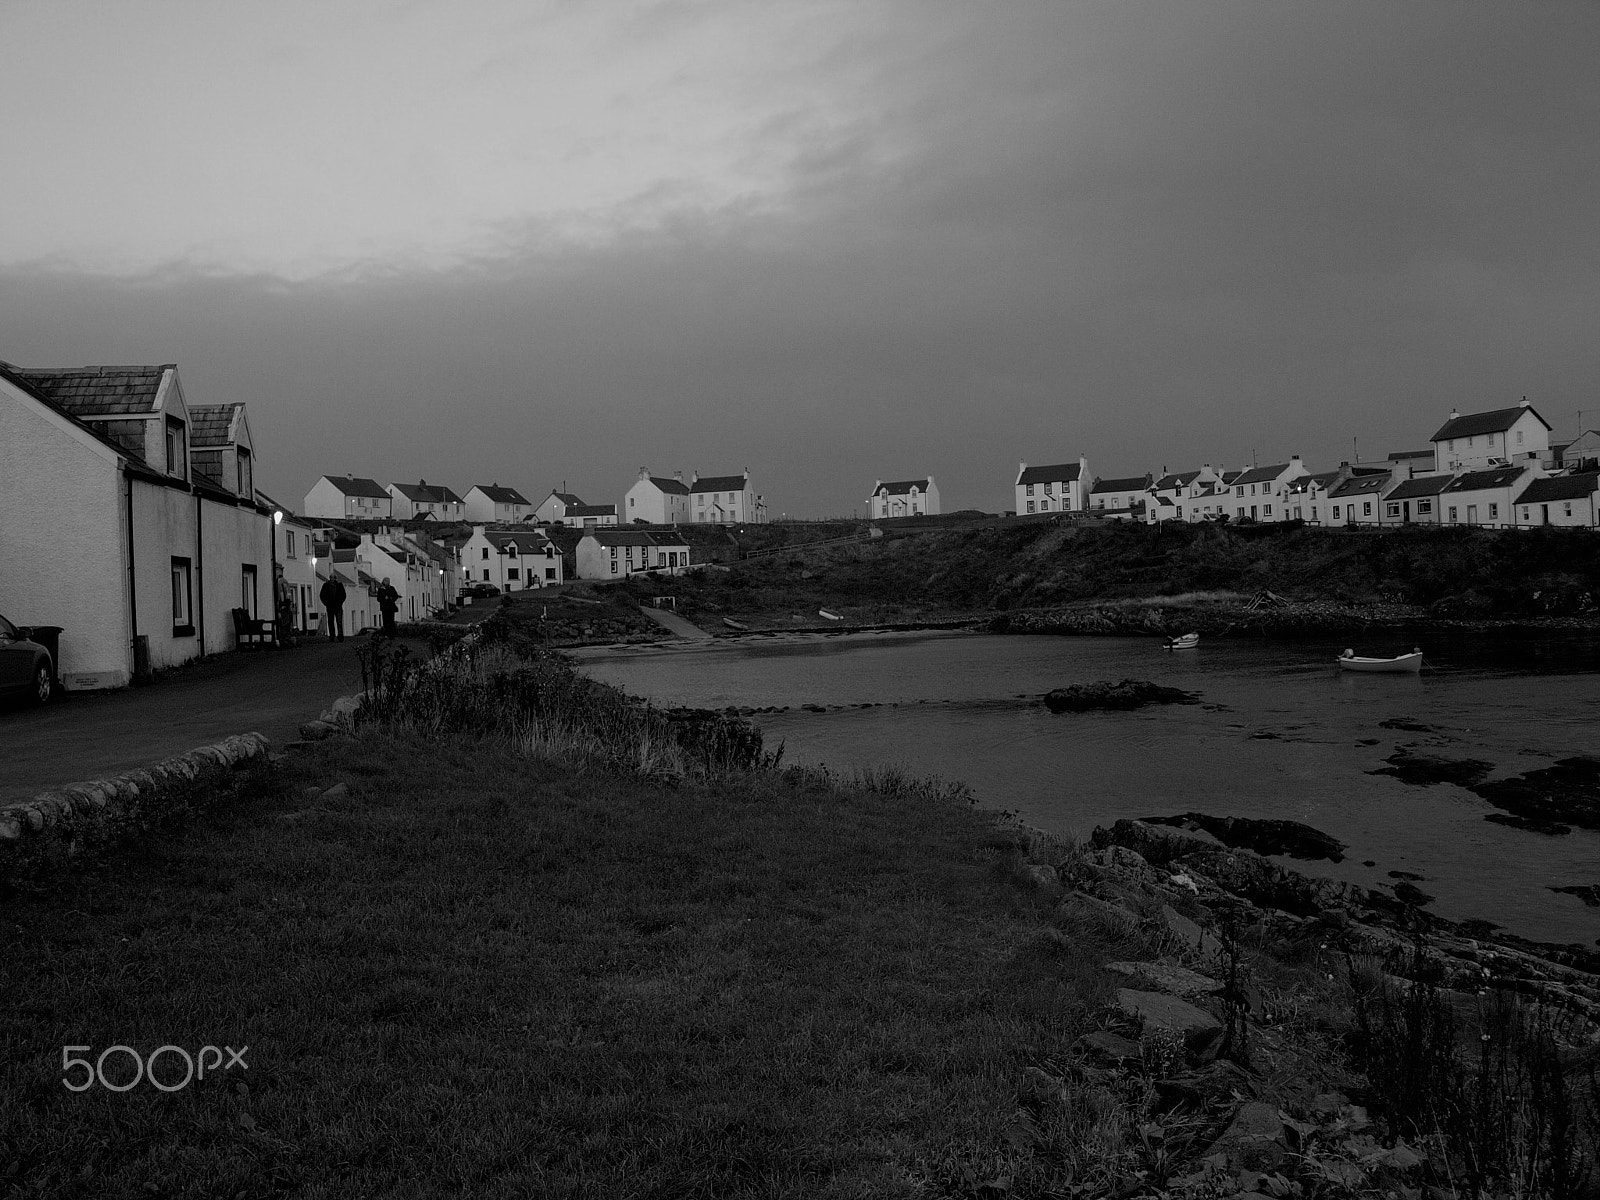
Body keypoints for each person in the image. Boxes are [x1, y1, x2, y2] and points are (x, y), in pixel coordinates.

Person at [319, 574, 347, 642]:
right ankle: (332, 636)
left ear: (335, 578)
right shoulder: (326, 585)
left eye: (333, 578)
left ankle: (340, 636)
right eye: (331, 578)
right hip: (330, 606)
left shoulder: (339, 585)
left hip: (337, 606)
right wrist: (326, 603)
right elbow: (322, 595)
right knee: (331, 622)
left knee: (339, 622)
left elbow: (343, 595)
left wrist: (340, 602)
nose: (332, 579)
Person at [274, 563, 295, 647]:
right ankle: (287, 640)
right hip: (287, 606)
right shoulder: (285, 582)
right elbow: (288, 595)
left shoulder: (278, 583)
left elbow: (278, 596)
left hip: (282, 607)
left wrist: (278, 608)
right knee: (287, 625)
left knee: (283, 625)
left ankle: (283, 640)